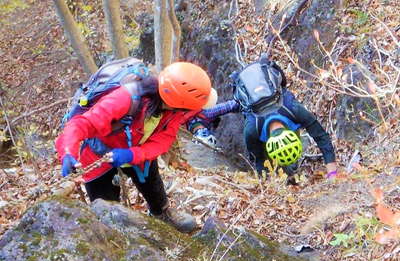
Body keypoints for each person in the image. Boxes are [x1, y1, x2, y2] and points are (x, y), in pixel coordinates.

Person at [55, 61, 217, 233]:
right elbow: (81, 124)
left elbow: (162, 141)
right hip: (98, 151)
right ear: (178, 103)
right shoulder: (125, 98)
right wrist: (67, 153)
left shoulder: (175, 112)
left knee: (152, 183)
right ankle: (113, 234)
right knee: (106, 209)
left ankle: (162, 213)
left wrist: (132, 155)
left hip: (136, 150)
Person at [192, 58, 337, 181]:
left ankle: (292, 170)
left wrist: (332, 173)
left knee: (289, 164)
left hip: (274, 97)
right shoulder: (252, 129)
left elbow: (321, 136)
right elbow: (258, 159)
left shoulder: (294, 109)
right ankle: (199, 115)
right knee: (232, 106)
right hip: (248, 100)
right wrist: (266, 181)